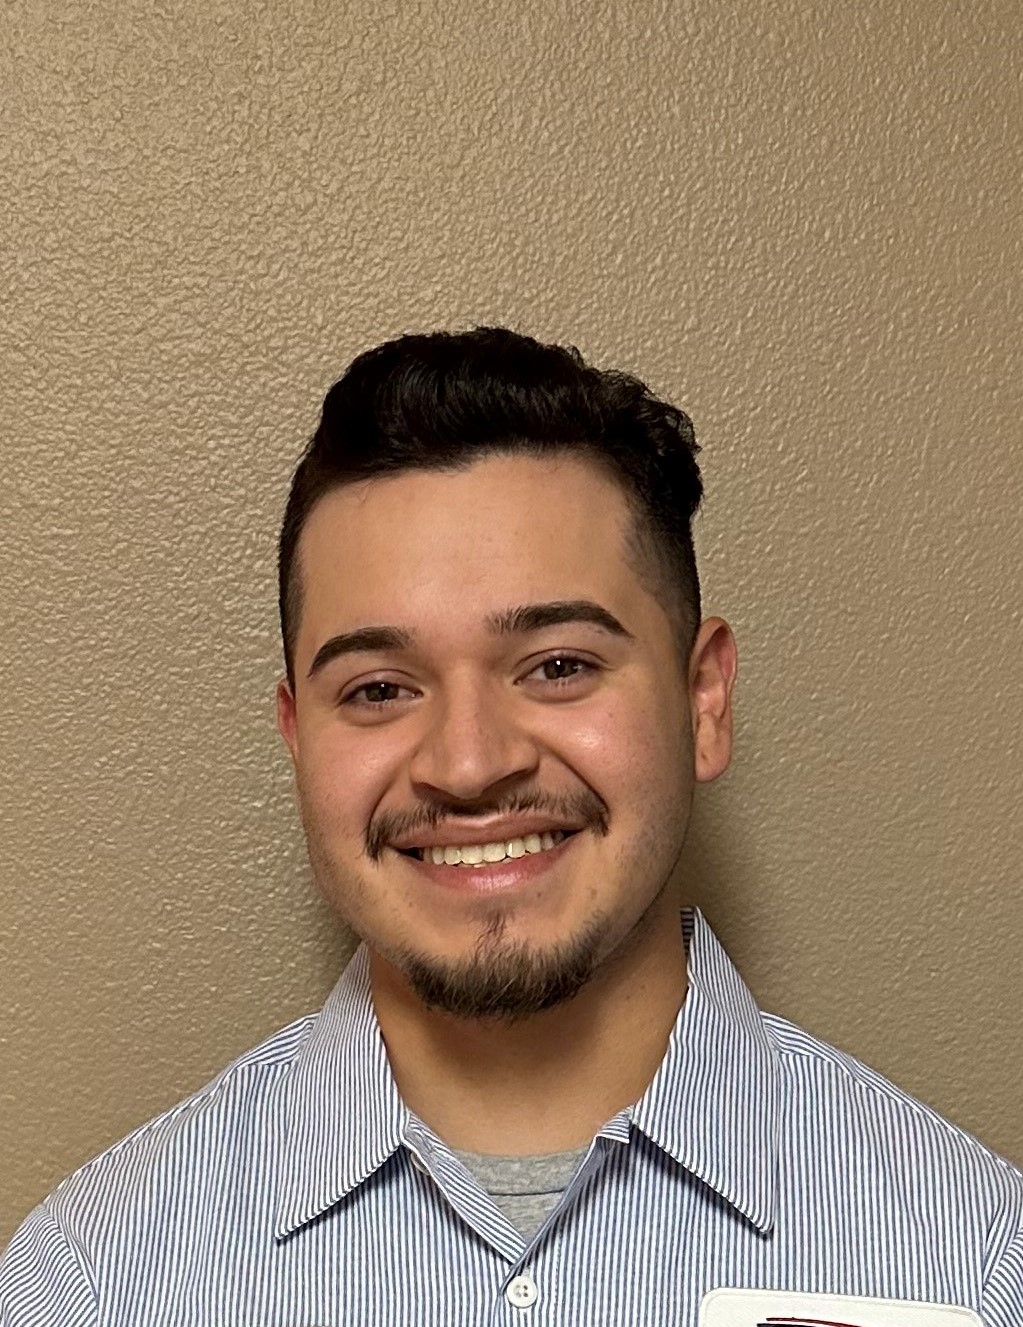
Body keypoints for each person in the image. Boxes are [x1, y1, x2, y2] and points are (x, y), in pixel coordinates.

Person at [1, 328, 1020, 1327]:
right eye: (379, 687)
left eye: (559, 666)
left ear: (702, 701)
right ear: (299, 736)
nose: (469, 764)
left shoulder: (974, 1264)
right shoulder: (89, 1284)